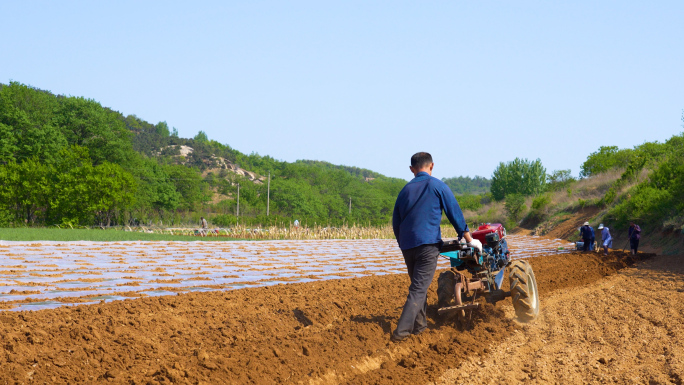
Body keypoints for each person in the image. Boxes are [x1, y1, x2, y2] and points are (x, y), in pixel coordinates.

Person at [390, 152, 481, 342]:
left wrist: (403, 243)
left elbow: (396, 222)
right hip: (428, 245)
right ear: (432, 166)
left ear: (412, 169)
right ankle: (401, 333)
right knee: (418, 288)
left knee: (418, 285)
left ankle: (420, 326)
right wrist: (468, 239)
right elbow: (454, 213)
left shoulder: (404, 191)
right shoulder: (437, 185)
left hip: (408, 246)